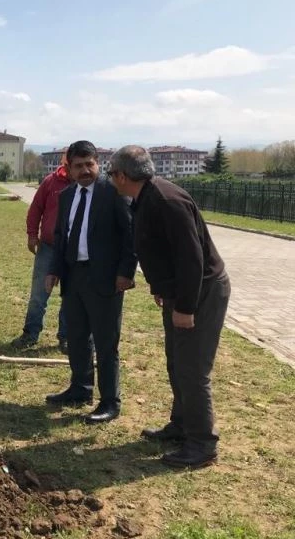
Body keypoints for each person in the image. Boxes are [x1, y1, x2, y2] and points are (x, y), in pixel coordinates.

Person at [109, 146, 231, 469]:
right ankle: (181, 425)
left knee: (192, 368)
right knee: (176, 361)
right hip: (178, 293)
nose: (110, 179)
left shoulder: (166, 200)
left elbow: (192, 259)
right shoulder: (144, 198)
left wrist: (186, 307)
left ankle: (202, 444)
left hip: (200, 292)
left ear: (122, 176)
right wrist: (162, 290)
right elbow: (159, 250)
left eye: (111, 174)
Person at [45, 140, 137, 424]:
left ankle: (110, 401)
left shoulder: (114, 193)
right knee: (77, 337)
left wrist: (126, 273)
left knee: (106, 343)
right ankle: (80, 388)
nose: (85, 170)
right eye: (78, 166)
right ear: (69, 168)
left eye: (90, 164)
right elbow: (61, 236)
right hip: (74, 277)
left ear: (99, 163)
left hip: (106, 279)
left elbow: (131, 234)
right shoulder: (67, 195)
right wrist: (54, 269)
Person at [12, 156, 72, 352]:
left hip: (74, 251)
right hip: (49, 247)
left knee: (70, 296)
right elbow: (35, 209)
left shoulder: (87, 185)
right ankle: (31, 333)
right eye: (71, 164)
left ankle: (66, 337)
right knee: (38, 294)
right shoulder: (51, 182)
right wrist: (32, 235)